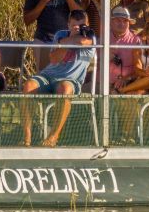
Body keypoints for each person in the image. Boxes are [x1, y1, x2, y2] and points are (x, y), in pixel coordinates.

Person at [21, 9, 96, 147]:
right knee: (28, 86)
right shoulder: (60, 35)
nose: (80, 29)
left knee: (65, 88)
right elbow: (54, 59)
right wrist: (70, 42)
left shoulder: (91, 36)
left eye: (82, 26)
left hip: (71, 80)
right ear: (68, 25)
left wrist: (69, 40)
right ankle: (26, 138)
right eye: (75, 26)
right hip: (49, 76)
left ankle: (53, 137)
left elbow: (83, 42)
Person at [108, 5, 142, 92]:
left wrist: (126, 78)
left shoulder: (136, 41)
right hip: (102, 83)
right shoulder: (103, 39)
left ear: (129, 23)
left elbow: (140, 70)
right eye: (118, 20)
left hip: (128, 84)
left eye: (125, 21)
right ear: (111, 22)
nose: (122, 24)